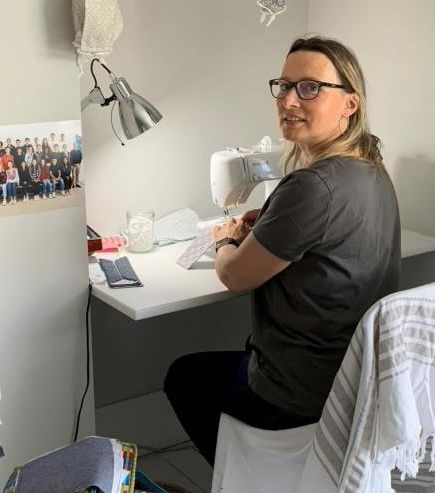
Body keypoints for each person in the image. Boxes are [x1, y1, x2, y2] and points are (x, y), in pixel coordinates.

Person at [163, 35, 401, 467]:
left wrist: (226, 241)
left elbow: (234, 276)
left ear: (350, 104)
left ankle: (254, 476)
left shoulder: (311, 186)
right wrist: (272, 221)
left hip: (301, 392)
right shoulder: (372, 172)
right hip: (355, 383)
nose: (289, 99)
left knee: (183, 377)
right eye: (284, 85)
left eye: (310, 87)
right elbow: (324, 236)